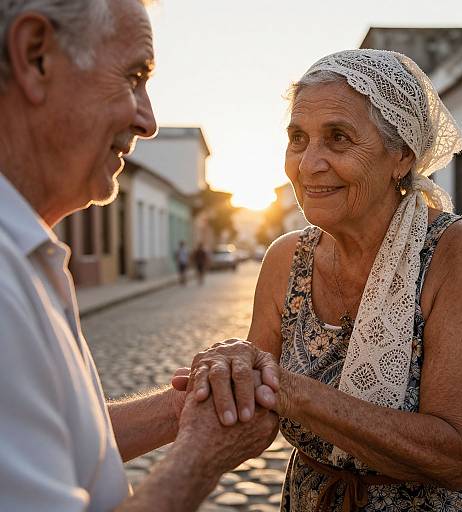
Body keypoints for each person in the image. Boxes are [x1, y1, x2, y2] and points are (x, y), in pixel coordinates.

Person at [181, 49, 462, 511]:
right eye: (298, 138)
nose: (309, 163)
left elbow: (453, 454)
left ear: (402, 156)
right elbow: (255, 409)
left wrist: (289, 389)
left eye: (337, 138)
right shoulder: (286, 260)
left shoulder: (458, 250)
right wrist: (225, 375)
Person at [0, 1, 279, 511]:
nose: (148, 121)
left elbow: (57, 433)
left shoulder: (25, 253)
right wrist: (201, 456)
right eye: (134, 76)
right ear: (35, 56)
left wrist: (191, 405)